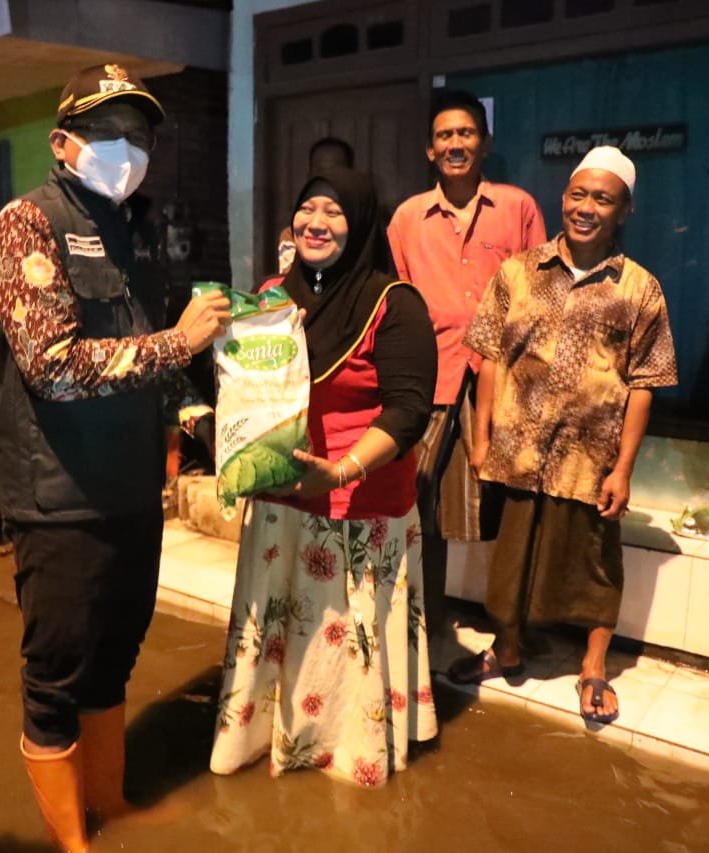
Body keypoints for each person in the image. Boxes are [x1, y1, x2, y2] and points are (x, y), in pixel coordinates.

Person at [0, 64, 230, 850]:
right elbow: (53, 365)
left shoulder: (135, 228)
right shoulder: (26, 224)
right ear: (63, 143)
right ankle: (70, 839)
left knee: (114, 660)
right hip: (59, 496)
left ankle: (110, 803)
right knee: (55, 676)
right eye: (110, 134)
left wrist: (196, 412)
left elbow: (139, 362)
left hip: (127, 488)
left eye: (141, 136)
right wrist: (180, 343)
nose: (129, 150)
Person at [210, 167, 439, 786]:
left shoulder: (395, 303)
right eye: (307, 208)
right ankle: (272, 739)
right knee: (286, 633)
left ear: (360, 222)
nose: (316, 222)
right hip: (285, 505)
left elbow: (409, 409)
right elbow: (246, 390)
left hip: (361, 506)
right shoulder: (270, 299)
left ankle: (349, 753)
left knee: (350, 646)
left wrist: (338, 471)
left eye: (334, 212)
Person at [449, 147, 677, 726]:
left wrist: (623, 468)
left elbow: (644, 384)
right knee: (510, 564)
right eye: (578, 194)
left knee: (595, 567)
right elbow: (490, 361)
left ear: (624, 209)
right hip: (520, 448)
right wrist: (481, 440)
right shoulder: (519, 272)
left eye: (602, 198)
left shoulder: (641, 289)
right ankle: (507, 649)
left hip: (590, 458)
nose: (586, 207)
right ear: (563, 198)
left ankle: (594, 666)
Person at [386, 89, 547, 641]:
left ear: (485, 143)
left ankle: (512, 630)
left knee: (509, 501)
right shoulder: (408, 218)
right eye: (445, 136)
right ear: (430, 151)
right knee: (419, 502)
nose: (456, 144)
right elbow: (396, 301)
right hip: (431, 379)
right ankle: (425, 624)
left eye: (466, 133)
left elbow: (539, 294)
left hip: (501, 382)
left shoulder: (518, 207)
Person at [277, 136, 356, 274]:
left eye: (333, 212)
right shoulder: (292, 234)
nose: (316, 225)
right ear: (309, 176)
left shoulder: (369, 234)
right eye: (307, 209)